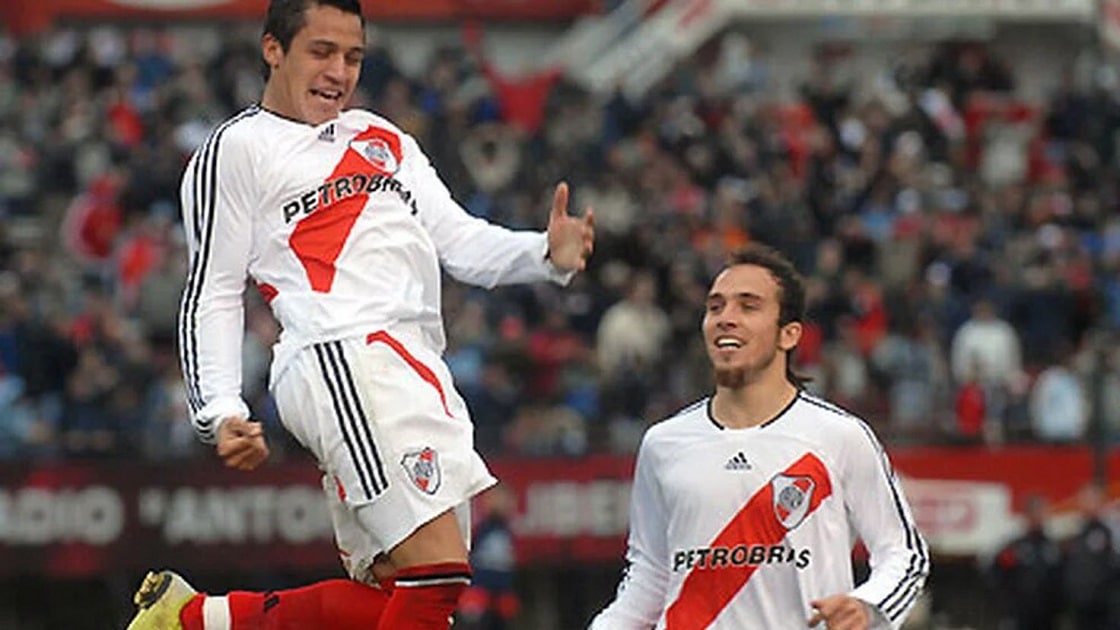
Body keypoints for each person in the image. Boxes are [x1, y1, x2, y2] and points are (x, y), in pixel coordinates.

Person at [126, 0, 594, 628]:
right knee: (438, 571)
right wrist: (221, 407)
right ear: (273, 49)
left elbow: (460, 242)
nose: (339, 72)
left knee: (398, 598)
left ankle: (192, 619)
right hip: (342, 356)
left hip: (413, 366)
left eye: (353, 57)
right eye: (321, 52)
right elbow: (212, 290)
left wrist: (543, 253)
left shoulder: (381, 138)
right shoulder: (238, 148)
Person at [588, 244, 928, 630]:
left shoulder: (839, 436)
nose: (725, 318)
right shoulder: (663, 444)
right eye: (715, 307)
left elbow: (904, 553)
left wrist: (867, 606)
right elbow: (649, 577)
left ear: (789, 334)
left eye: (748, 306)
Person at [986, 494, 1063, 630]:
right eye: (1037, 511)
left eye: (1043, 512)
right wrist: (1007, 605)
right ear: (1028, 515)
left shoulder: (1051, 547)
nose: (1040, 516)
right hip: (1020, 616)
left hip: (1046, 617)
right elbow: (996, 574)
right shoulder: (1015, 547)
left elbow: (1060, 580)